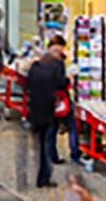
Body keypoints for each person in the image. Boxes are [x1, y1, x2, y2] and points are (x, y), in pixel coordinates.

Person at [27, 37, 74, 189]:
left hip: (35, 110)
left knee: (41, 144)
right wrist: (69, 79)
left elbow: (28, 84)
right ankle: (44, 177)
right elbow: (60, 84)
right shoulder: (57, 66)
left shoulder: (35, 66)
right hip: (50, 108)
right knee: (47, 142)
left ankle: (43, 175)